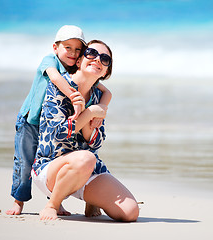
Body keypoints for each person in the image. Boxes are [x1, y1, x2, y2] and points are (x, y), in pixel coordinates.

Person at [6, 26, 112, 215]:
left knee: (56, 156)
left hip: (51, 126)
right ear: (55, 47)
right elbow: (55, 78)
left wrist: (100, 108)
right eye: (67, 47)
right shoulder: (50, 61)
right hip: (31, 120)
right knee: (25, 162)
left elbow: (106, 91)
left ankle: (58, 201)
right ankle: (18, 201)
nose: (73, 53)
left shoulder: (76, 68)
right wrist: (76, 99)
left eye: (78, 49)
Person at [31, 40, 139, 222]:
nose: (97, 59)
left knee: (130, 212)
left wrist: (92, 115)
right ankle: (52, 205)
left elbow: (96, 142)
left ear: (106, 71)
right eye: (91, 53)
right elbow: (57, 135)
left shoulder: (98, 96)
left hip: (87, 169)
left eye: (105, 59)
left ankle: (91, 199)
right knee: (86, 158)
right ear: (79, 61)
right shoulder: (59, 86)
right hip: (51, 168)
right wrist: (90, 113)